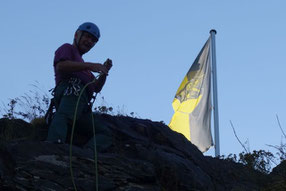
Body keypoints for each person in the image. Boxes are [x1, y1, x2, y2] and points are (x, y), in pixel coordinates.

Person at [46, 22, 112, 151]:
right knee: (65, 114)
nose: (89, 41)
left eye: (93, 40)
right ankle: (54, 145)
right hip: (70, 92)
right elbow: (61, 66)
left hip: (82, 108)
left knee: (105, 133)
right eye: (87, 36)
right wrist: (90, 65)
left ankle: (87, 153)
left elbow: (96, 87)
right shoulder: (67, 49)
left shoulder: (86, 71)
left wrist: (104, 72)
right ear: (77, 35)